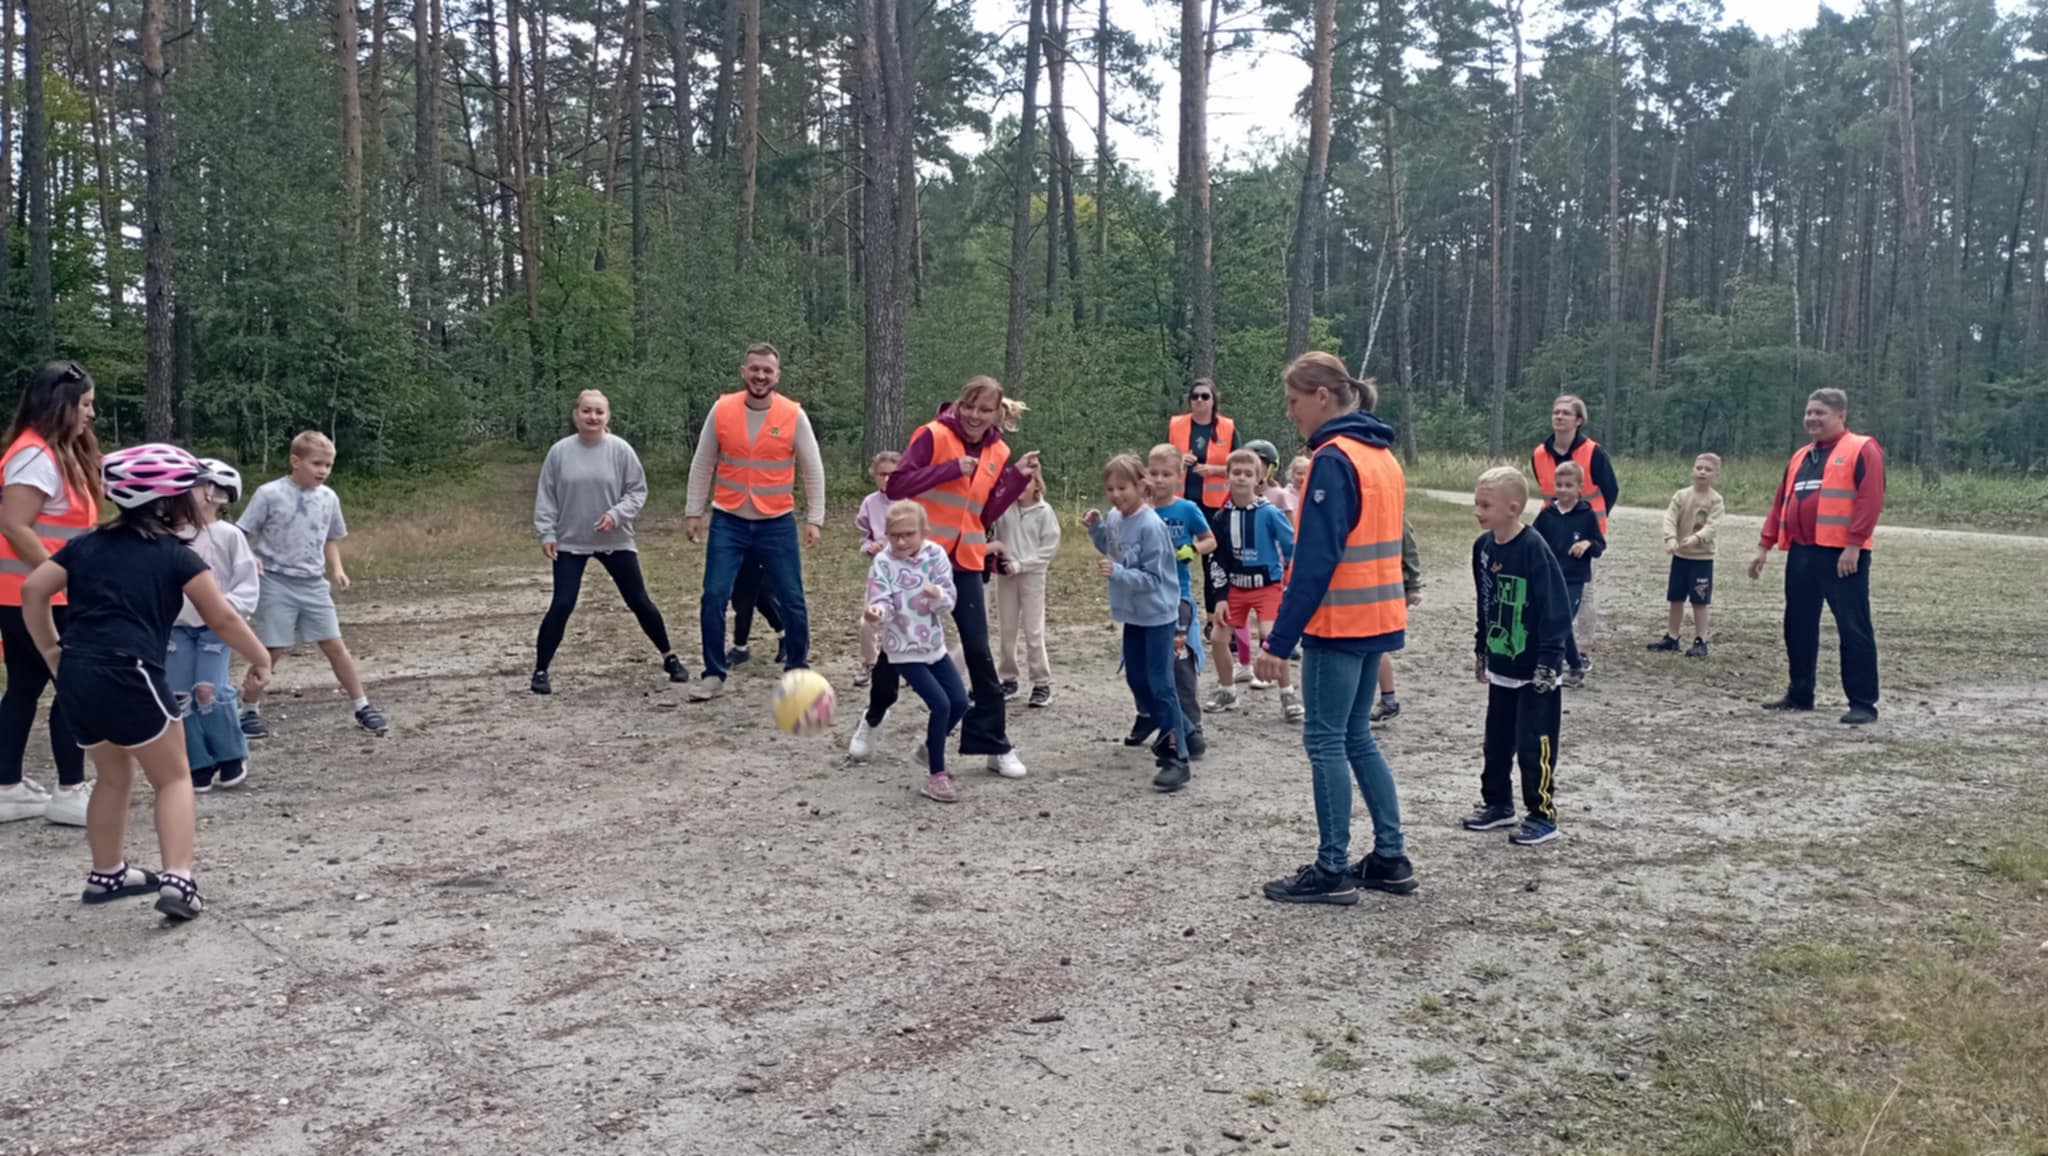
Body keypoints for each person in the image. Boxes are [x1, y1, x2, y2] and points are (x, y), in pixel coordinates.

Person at [23, 444, 273, 922]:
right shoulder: (175, 556)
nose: (199, 498)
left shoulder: (86, 544)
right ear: (166, 502)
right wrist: (260, 656)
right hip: (132, 671)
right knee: (174, 777)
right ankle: (179, 879)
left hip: (78, 673)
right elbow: (221, 616)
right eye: (192, 491)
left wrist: (52, 650)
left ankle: (106, 874)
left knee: (112, 774)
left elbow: (34, 589)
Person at [1255, 352, 1414, 906]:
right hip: (1378, 619)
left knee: (1325, 741)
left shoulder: (1332, 459)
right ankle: (1390, 858)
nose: (1291, 413)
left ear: (1322, 396)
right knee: (1356, 737)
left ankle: (1332, 869)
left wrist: (1279, 641)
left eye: (1294, 401)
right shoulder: (1382, 456)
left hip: (1340, 622)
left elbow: (1315, 561)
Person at [849, 377, 1037, 779]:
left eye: (985, 410)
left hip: (965, 558)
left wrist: (1016, 478)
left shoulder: (999, 450)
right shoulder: (932, 435)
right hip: (917, 557)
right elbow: (897, 485)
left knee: (978, 650)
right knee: (895, 650)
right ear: (958, 404)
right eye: (969, 406)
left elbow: (984, 513)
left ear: (997, 414)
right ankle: (874, 716)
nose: (974, 416)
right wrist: (949, 469)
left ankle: (994, 743)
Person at [683, 342, 825, 700]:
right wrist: (693, 511)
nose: (761, 376)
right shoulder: (722, 409)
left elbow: (812, 469)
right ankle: (713, 673)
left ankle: (797, 669)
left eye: (768, 370)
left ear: (777, 375)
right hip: (728, 520)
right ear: (744, 372)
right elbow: (703, 463)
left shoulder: (793, 414)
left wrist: (815, 518)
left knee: (792, 597)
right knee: (714, 595)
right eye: (755, 369)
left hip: (776, 521)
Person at [530, 390, 688, 694]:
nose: (593, 417)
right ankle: (540, 670)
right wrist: (547, 533)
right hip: (571, 542)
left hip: (615, 539)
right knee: (562, 603)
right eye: (587, 411)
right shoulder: (559, 452)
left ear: (608, 416)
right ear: (576, 415)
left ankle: (670, 657)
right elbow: (546, 495)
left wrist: (616, 515)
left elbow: (637, 491)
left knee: (638, 600)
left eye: (599, 412)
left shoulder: (620, 450)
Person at [0, 361, 101, 826]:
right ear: (60, 405)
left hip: (29, 594)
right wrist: (57, 577)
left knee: (24, 687)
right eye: (85, 404)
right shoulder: (34, 456)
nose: (91, 414)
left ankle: (8, 787)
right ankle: (69, 789)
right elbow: (15, 525)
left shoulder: (53, 453)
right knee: (72, 686)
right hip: (41, 596)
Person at [236, 431, 388, 737]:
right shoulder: (269, 493)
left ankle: (362, 705)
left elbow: (331, 538)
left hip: (313, 583)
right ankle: (248, 709)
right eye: (317, 463)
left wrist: (337, 569)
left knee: (334, 645)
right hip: (275, 581)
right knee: (272, 649)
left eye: (328, 465)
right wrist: (250, 560)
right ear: (296, 461)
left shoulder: (329, 498)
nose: (323, 471)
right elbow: (240, 533)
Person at [1748, 389, 1885, 725]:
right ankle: (1800, 692)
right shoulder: (1800, 456)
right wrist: (1765, 545)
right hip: (1802, 551)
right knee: (1797, 623)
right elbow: (1781, 502)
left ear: (1840, 415)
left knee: (1853, 626)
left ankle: (1863, 703)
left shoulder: (1862, 448)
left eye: (1820, 413)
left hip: (1841, 555)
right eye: (1809, 412)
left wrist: (1854, 544)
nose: (1811, 419)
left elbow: (1870, 499)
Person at [1464, 466, 1571, 846]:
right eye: (1477, 503)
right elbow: (1486, 603)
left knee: (1534, 743)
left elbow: (1556, 609)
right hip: (1502, 663)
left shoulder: (1534, 549)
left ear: (1512, 508)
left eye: (1485, 505)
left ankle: (1542, 814)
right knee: (1496, 740)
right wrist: (1482, 648)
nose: (1477, 511)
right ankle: (1498, 803)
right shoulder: (1483, 548)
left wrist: (1549, 662)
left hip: (1537, 668)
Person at [1084, 454, 1189, 792]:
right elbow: (1112, 546)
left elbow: (1154, 579)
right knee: (1136, 678)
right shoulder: (1116, 517)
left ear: (1141, 486)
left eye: (1123, 488)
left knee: (1160, 682)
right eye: (1110, 489)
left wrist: (1118, 573)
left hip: (1158, 613)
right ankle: (1187, 730)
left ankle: (1177, 758)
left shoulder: (1151, 526)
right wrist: (1097, 528)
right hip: (1133, 613)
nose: (1116, 495)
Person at [856, 501, 970, 803]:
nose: (902, 541)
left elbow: (949, 600)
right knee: (940, 705)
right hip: (902, 649)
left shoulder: (936, 555)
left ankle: (930, 750)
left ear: (924, 531)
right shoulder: (883, 562)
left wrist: (937, 595)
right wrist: (876, 613)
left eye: (909, 534)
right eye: (895, 535)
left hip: (933, 645)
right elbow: (881, 600)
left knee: (959, 702)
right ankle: (936, 777)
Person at [171, 459, 260, 792]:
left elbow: (247, 583)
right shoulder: (168, 537)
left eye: (193, 486)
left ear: (216, 493)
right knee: (179, 695)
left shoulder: (229, 535)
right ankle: (198, 761)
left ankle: (230, 753)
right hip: (176, 627)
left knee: (209, 690)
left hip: (215, 626)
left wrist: (225, 610)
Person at [1133, 444, 1216, 757]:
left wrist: (1192, 549)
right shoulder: (1140, 511)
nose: (1159, 479)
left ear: (1179, 476)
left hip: (1177, 597)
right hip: (1144, 595)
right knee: (1142, 663)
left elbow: (1210, 540)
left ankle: (1192, 725)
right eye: (1154, 473)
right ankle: (1148, 716)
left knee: (1179, 662)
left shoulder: (1187, 509)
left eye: (1166, 474)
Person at [1207, 449, 1297, 717]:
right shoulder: (1221, 518)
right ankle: (1227, 691)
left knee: (1270, 636)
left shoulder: (1270, 513)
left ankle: (1287, 693)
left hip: (1267, 587)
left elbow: (1291, 545)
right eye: (1236, 473)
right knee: (1218, 638)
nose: (1242, 478)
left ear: (1259, 479)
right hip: (1235, 588)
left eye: (1248, 474)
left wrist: (1290, 579)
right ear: (1227, 476)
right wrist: (1220, 597)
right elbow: (1217, 559)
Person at [1531, 395, 1619, 655]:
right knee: (1549, 587)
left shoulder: (1593, 452)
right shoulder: (1539, 454)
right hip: (1552, 529)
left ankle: (1582, 648)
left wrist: (1588, 520)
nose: (1559, 416)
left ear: (1579, 420)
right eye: (1556, 412)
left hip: (1586, 532)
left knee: (1584, 591)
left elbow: (1611, 489)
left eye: (1566, 413)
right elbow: (1545, 489)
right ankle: (1553, 643)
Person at [1531, 460, 1606, 687]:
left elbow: (1599, 545)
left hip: (1574, 579)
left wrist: (1586, 544)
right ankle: (1575, 667)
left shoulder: (1586, 515)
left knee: (1560, 621)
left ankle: (1552, 668)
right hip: (1551, 578)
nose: (1563, 490)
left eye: (1568, 485)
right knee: (1556, 622)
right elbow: (1533, 541)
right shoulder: (1547, 515)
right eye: (1559, 485)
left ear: (1580, 488)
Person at [989, 470, 1060, 707]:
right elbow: (991, 530)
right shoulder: (1005, 509)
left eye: (1026, 482)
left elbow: (1048, 548)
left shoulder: (1044, 511)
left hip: (1032, 576)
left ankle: (1041, 683)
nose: (1020, 487)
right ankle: (1009, 678)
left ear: (1036, 484)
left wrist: (1021, 564)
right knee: (1007, 628)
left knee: (1033, 630)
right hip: (1006, 575)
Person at [1168, 380, 1236, 615]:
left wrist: (1214, 470)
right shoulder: (1176, 425)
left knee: (1213, 562)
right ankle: (1171, 611)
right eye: (1195, 396)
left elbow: (1241, 466)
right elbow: (1161, 459)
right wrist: (1179, 460)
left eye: (1205, 396)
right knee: (1174, 557)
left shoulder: (1227, 427)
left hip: (1213, 504)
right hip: (1180, 501)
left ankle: (1212, 617)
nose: (1199, 400)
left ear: (1214, 400)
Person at [1651, 453, 1725, 659]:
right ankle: (1672, 637)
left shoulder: (1716, 500)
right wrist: (1670, 539)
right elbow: (1669, 517)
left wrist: (1696, 538)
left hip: (1702, 559)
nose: (1702, 472)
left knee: (1699, 601)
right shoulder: (1681, 496)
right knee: (1675, 598)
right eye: (1699, 467)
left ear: (1716, 474)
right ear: (1693, 470)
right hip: (1680, 557)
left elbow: (1712, 526)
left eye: (1708, 469)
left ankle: (1701, 640)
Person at [852, 451, 902, 688]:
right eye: (882, 474)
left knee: (906, 619)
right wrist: (869, 547)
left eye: (893, 474)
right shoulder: (870, 503)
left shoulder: (913, 501)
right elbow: (864, 536)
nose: (887, 479)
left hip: (908, 571)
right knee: (869, 618)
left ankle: (911, 665)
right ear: (875, 476)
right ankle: (869, 662)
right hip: (880, 571)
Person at [1370, 521, 1423, 724]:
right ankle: (1387, 699)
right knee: (1372, 646)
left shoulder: (1397, 518)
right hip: (1371, 588)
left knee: (1375, 645)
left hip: (1388, 590)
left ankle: (1388, 699)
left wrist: (1414, 587)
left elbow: (1410, 552)